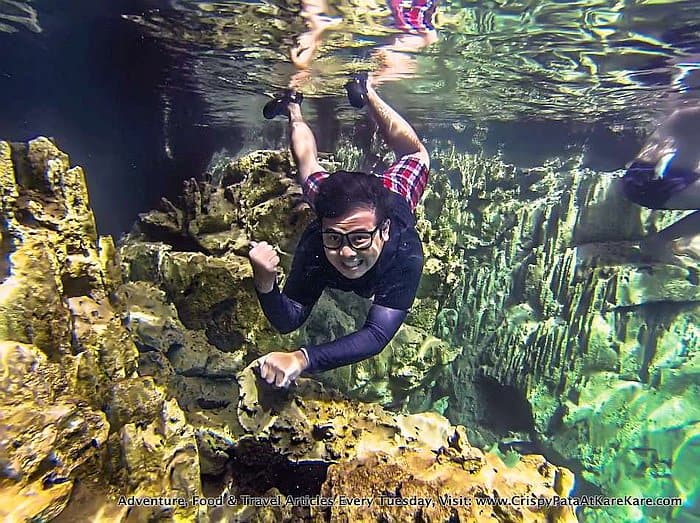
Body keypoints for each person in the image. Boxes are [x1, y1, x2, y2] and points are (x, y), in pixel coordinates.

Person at [250, 74, 429, 388]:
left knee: (416, 155)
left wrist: (301, 359)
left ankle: (368, 91)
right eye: (335, 238)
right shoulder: (317, 240)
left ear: (384, 231)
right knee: (307, 167)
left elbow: (376, 335)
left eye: (359, 238)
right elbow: (288, 318)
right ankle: (293, 107)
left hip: (391, 195)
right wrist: (265, 283)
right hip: (341, 200)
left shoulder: (405, 252)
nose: (346, 254)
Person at [622, 105, 700, 264]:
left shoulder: (687, 112)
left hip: (646, 179)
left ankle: (679, 241)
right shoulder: (691, 115)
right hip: (650, 184)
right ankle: (657, 242)